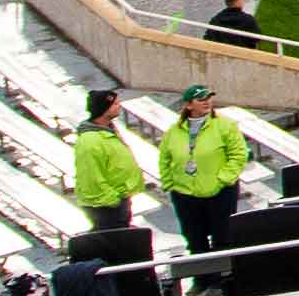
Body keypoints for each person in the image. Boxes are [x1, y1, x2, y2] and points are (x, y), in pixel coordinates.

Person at [159, 82, 251, 255]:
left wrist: (223, 179)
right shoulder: (174, 131)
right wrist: (169, 183)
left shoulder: (225, 125)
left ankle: (224, 276)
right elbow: (164, 158)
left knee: (223, 237)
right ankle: (202, 277)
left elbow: (238, 155)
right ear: (188, 105)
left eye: (208, 98)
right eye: (200, 99)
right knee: (194, 238)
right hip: (185, 194)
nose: (206, 101)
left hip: (220, 192)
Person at [66, 90, 147, 243]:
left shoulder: (108, 131)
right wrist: (112, 200)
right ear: (104, 108)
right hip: (106, 206)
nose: (119, 106)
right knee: (113, 246)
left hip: (117, 200)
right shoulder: (90, 140)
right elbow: (91, 177)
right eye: (115, 103)